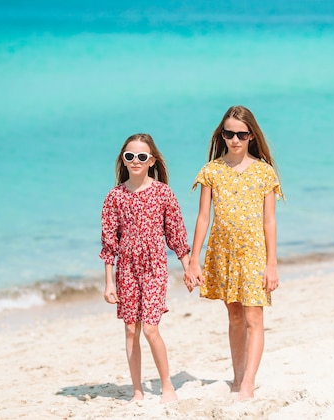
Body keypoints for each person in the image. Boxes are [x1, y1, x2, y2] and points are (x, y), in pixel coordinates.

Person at [185, 105, 284, 401]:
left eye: (241, 134)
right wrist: (193, 258)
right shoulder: (211, 171)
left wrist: (272, 263)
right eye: (229, 133)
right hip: (222, 252)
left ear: (251, 135)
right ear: (222, 135)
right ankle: (237, 376)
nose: (235, 139)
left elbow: (269, 221)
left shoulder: (265, 173)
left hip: (254, 254)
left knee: (254, 316)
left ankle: (248, 383)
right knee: (235, 316)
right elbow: (203, 217)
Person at [99, 133, 191, 404]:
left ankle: (167, 387)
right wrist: (108, 282)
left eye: (142, 156)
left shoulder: (163, 193)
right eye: (130, 156)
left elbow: (176, 234)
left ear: (151, 161)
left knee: (150, 328)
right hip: (126, 268)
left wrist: (187, 268)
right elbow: (109, 242)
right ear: (123, 160)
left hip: (154, 267)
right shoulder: (115, 196)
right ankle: (137, 390)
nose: (136, 160)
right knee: (130, 330)